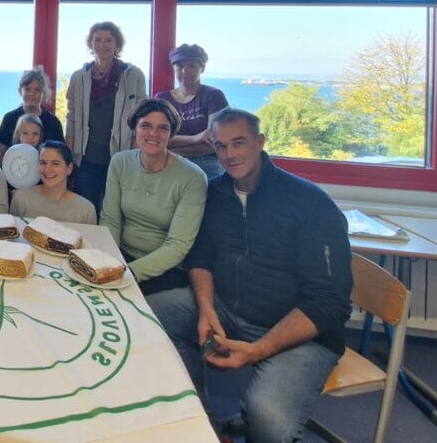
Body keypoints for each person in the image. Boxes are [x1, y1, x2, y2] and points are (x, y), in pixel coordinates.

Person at [150, 108, 353, 443]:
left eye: (239, 143)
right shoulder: (215, 193)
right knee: (145, 319)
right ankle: (204, 424)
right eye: (221, 146)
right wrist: (206, 309)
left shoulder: (310, 203)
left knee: (268, 417)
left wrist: (259, 349)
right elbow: (202, 258)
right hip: (226, 308)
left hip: (298, 333)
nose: (229, 154)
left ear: (260, 142)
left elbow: (329, 302)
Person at [99, 99, 207, 296]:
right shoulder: (120, 162)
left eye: (163, 128)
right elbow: (110, 220)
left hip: (166, 269)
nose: (153, 134)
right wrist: (110, 262)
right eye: (146, 126)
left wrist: (129, 273)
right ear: (135, 129)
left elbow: (177, 245)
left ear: (171, 134)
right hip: (120, 257)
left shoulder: (193, 178)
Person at [65, 21, 146, 220]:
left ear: (117, 44)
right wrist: (69, 157)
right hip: (86, 159)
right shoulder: (79, 77)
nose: (103, 45)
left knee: (115, 212)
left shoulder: (133, 75)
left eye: (109, 40)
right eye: (98, 39)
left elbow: (140, 120)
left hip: (121, 158)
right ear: (90, 43)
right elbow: (72, 119)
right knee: (86, 211)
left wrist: (135, 157)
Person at [154, 43, 229, 179]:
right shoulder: (162, 99)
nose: (185, 71)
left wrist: (170, 149)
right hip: (168, 161)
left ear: (202, 68)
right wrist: (196, 138)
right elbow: (156, 138)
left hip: (207, 161)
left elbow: (214, 143)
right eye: (180, 66)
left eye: (192, 66)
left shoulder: (213, 96)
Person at [9, 140, 95, 224]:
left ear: (69, 168)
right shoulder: (21, 199)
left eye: (55, 163)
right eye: (43, 163)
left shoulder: (85, 210)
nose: (47, 169)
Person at [0, 67, 64, 163]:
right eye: (27, 89)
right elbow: (0, 156)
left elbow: (60, 156)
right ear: (20, 91)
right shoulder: (9, 119)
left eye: (37, 89)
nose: (32, 93)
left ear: (43, 93)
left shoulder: (53, 122)